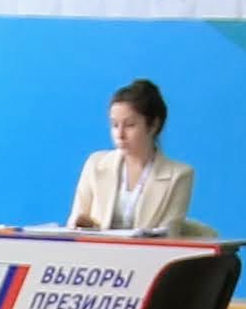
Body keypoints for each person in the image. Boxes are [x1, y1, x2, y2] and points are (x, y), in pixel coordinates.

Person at [68, 81, 194, 235]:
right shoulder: (95, 164)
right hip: (95, 250)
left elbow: (168, 235)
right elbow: (74, 223)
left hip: (146, 251)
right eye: (115, 125)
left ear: (153, 125)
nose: (120, 135)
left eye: (130, 125)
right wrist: (81, 224)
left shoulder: (179, 176)